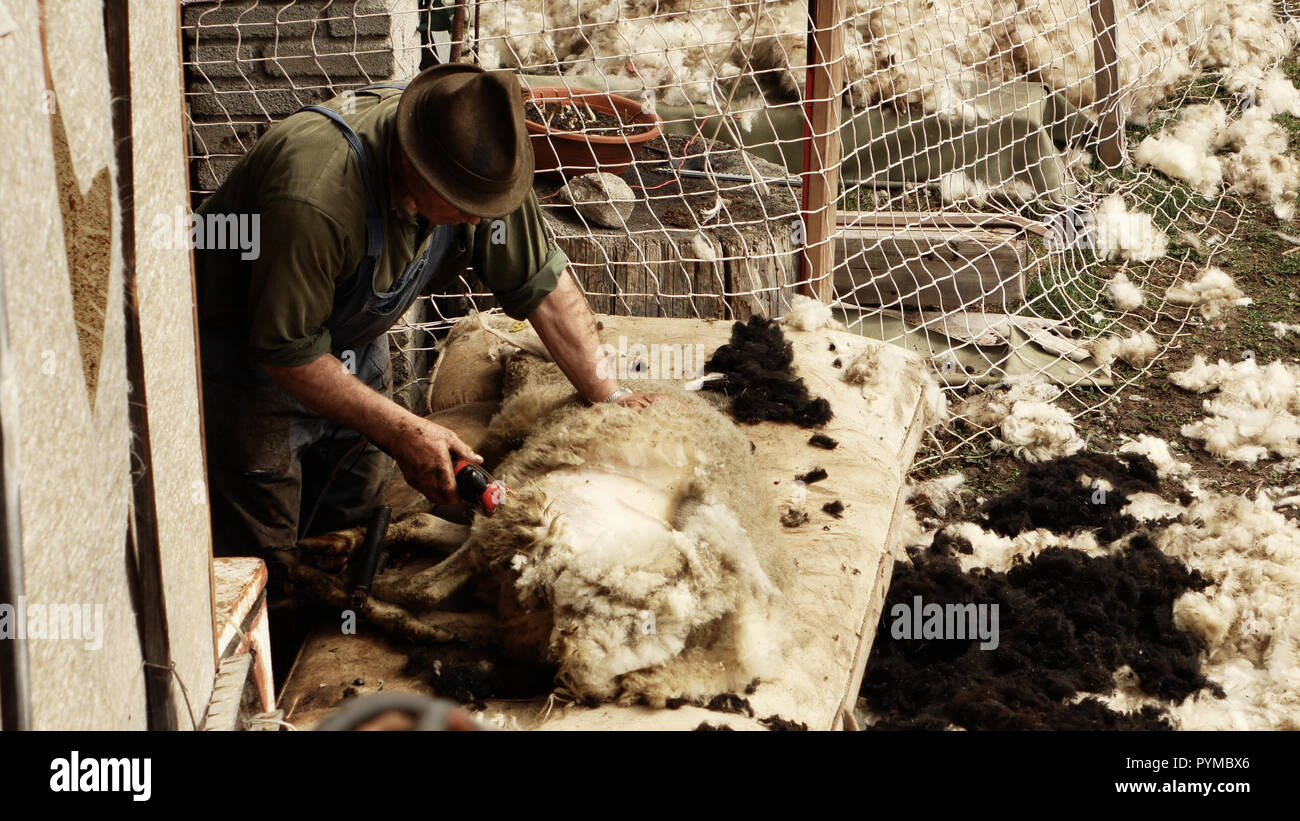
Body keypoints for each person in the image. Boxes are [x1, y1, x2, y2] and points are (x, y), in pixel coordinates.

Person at [194, 64, 654, 557]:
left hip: (347, 341)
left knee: (354, 525)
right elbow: (285, 349)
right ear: (413, 165)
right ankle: (274, 627)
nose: (478, 219)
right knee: (264, 550)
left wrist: (609, 392)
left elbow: (539, 279)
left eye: (486, 206)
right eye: (461, 205)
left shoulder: (486, 159)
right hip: (247, 356)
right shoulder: (317, 195)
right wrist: (402, 427)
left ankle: (337, 619)